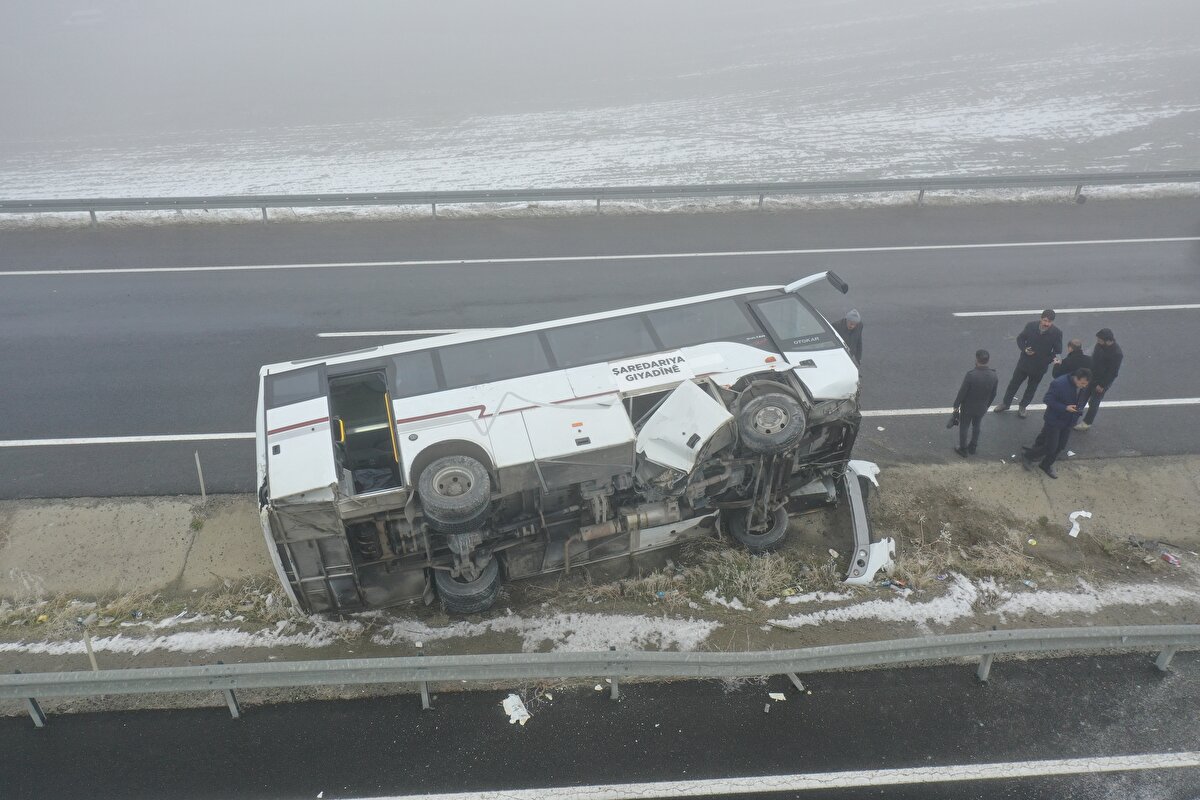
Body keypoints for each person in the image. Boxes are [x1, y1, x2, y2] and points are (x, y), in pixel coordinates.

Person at [1021, 367, 1091, 479]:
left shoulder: (1082, 387)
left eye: (1085, 384)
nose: (1084, 386)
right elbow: (1048, 399)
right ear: (1076, 378)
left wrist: (1079, 409)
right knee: (1051, 447)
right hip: (1055, 419)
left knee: (1061, 445)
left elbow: (1082, 400)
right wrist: (1065, 408)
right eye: (1082, 383)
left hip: (1070, 420)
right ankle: (1028, 456)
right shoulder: (1059, 384)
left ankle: (1046, 465)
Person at [994, 309, 1063, 418]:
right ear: (1041, 318)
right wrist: (1024, 349)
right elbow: (1020, 339)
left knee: (1031, 388)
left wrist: (1045, 360)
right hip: (1024, 363)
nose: (1046, 324)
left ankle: (1023, 406)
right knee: (1013, 384)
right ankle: (1005, 403)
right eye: (1045, 320)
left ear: (1052, 322)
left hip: (1039, 368)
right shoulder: (1031, 326)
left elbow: (1057, 351)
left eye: (1049, 322)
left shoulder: (1057, 333)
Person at [952, 349, 998, 457]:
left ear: (976, 359)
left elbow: (962, 392)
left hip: (968, 408)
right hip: (982, 407)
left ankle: (963, 449)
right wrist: (987, 405)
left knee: (964, 427)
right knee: (977, 425)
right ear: (988, 360)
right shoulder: (993, 375)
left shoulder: (971, 375)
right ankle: (973, 446)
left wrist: (956, 406)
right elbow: (993, 394)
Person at [1076, 328, 1122, 431]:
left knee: (1094, 402)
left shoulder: (1117, 353)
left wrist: (1102, 385)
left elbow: (1113, 373)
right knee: (1082, 396)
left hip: (1101, 382)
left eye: (1100, 340)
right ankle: (1075, 415)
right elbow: (1094, 359)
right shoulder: (1100, 345)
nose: (1097, 342)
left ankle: (1087, 422)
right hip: (1091, 376)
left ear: (1107, 340)